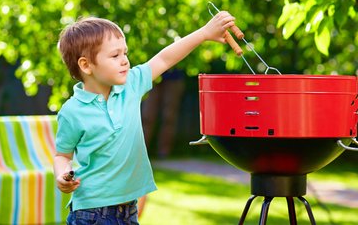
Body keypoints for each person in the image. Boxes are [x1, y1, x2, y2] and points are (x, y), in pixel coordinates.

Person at [54, 12, 236, 224]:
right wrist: (63, 174)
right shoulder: (72, 111)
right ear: (86, 65)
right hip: (92, 211)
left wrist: (204, 33)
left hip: (128, 208)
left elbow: (164, 58)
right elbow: (62, 155)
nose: (124, 61)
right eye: (115, 56)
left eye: (125, 53)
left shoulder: (130, 86)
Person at [142, 68, 185, 159]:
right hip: (153, 74)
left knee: (169, 117)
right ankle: (140, 152)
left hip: (174, 76)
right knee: (147, 117)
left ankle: (163, 153)